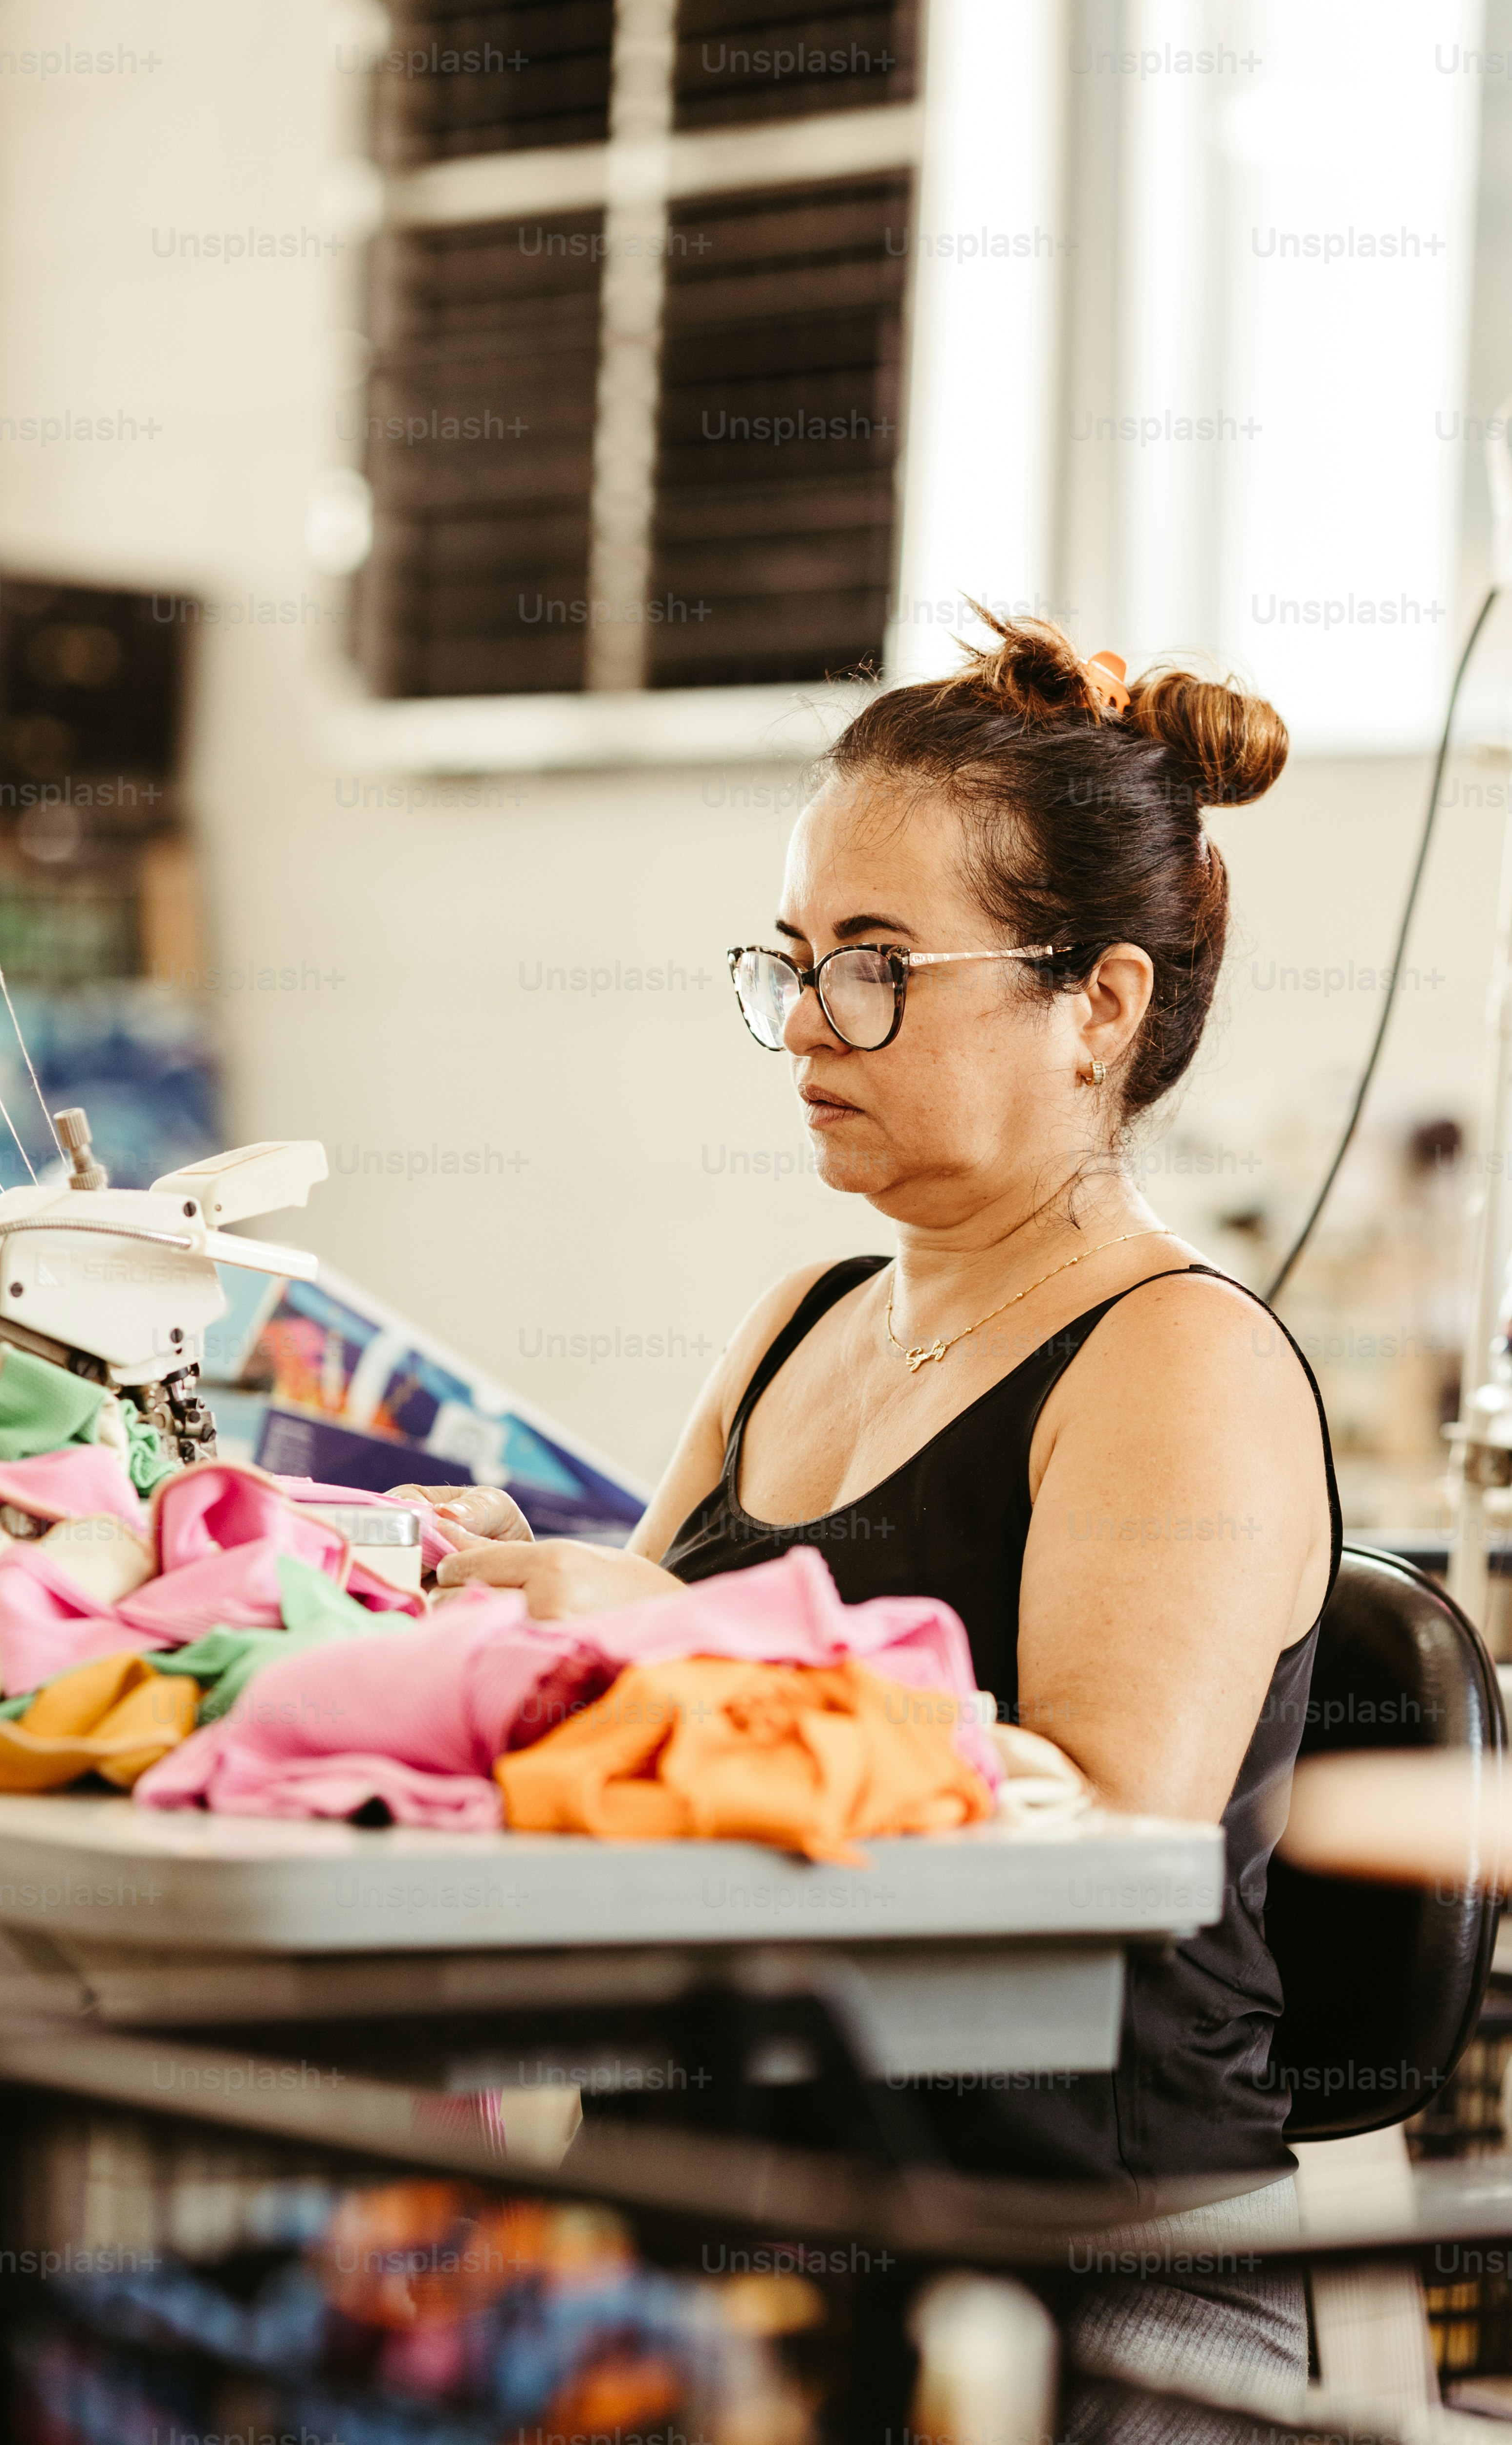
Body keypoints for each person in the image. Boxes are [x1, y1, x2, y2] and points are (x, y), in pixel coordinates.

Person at [405, 611, 1337, 2435]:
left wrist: (661, 1630)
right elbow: (650, 1734)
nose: (811, 1028)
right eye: (797, 961)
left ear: (1104, 1002)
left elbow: (1107, 1831)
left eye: (882, 965)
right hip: (722, 2241)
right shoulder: (807, 1323)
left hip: (1064, 2284)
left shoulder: (1175, 1362)